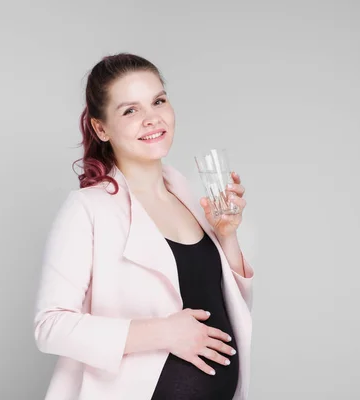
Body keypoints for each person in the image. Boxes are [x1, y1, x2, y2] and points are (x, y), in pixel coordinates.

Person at [33, 53, 255, 400]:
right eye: (130, 110)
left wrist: (227, 237)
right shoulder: (88, 208)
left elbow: (227, 308)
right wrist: (162, 332)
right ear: (100, 128)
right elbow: (50, 327)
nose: (152, 119)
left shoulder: (185, 191)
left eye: (158, 101)